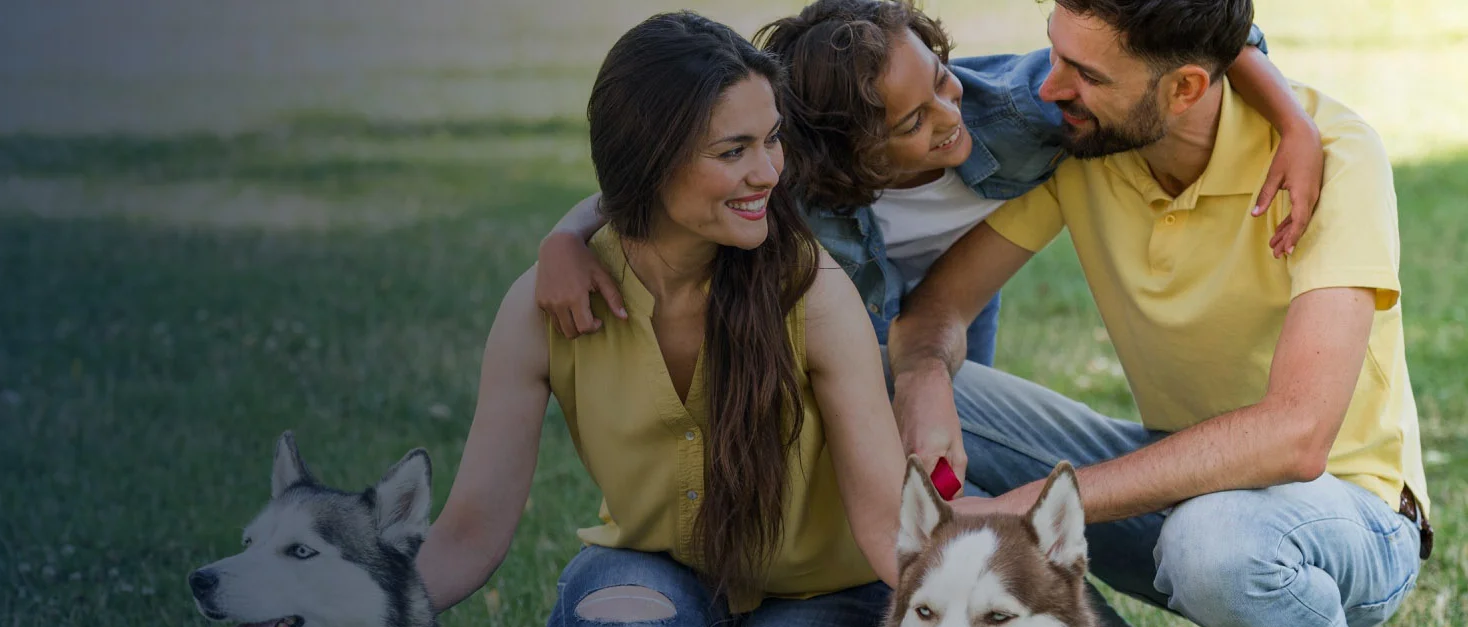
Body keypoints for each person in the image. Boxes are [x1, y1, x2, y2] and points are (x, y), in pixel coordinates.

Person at [888, 0, 1431, 627]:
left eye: (1086, 74)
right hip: (1180, 483)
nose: (1049, 89)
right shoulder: (1088, 141)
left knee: (1211, 542)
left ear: (1183, 89)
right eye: (1053, 54)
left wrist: (1024, 508)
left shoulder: (1335, 153)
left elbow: (1298, 436)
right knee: (887, 389)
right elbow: (936, 312)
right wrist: (926, 372)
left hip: (1348, 517)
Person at [411, 11, 907, 627]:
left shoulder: (812, 294)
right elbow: (469, 529)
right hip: (667, 578)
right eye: (733, 151)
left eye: (772, 141)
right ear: (649, 161)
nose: (768, 173)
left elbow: (889, 524)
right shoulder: (549, 304)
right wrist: (349, 624)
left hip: (823, 596)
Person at [533, 0, 1324, 371]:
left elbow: (1200, 32)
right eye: (912, 122)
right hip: (862, 305)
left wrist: (1294, 124)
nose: (950, 118)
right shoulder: (789, 177)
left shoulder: (1019, 108)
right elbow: (658, 185)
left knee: (962, 427)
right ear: (844, 150)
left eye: (943, 80)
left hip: (962, 287)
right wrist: (564, 241)